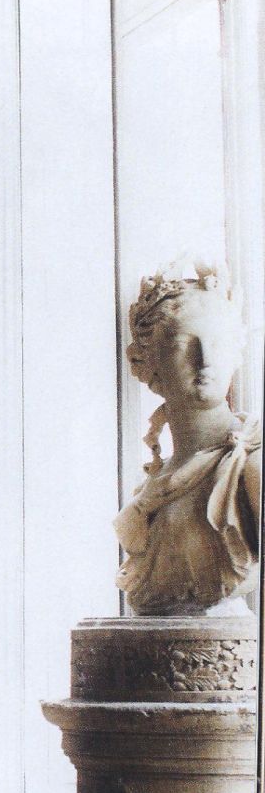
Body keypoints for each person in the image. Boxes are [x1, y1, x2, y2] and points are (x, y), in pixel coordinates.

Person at [115, 263, 261, 615]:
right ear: (145, 362)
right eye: (184, 344)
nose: (205, 360)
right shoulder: (150, 489)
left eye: (219, 343)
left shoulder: (250, 465)